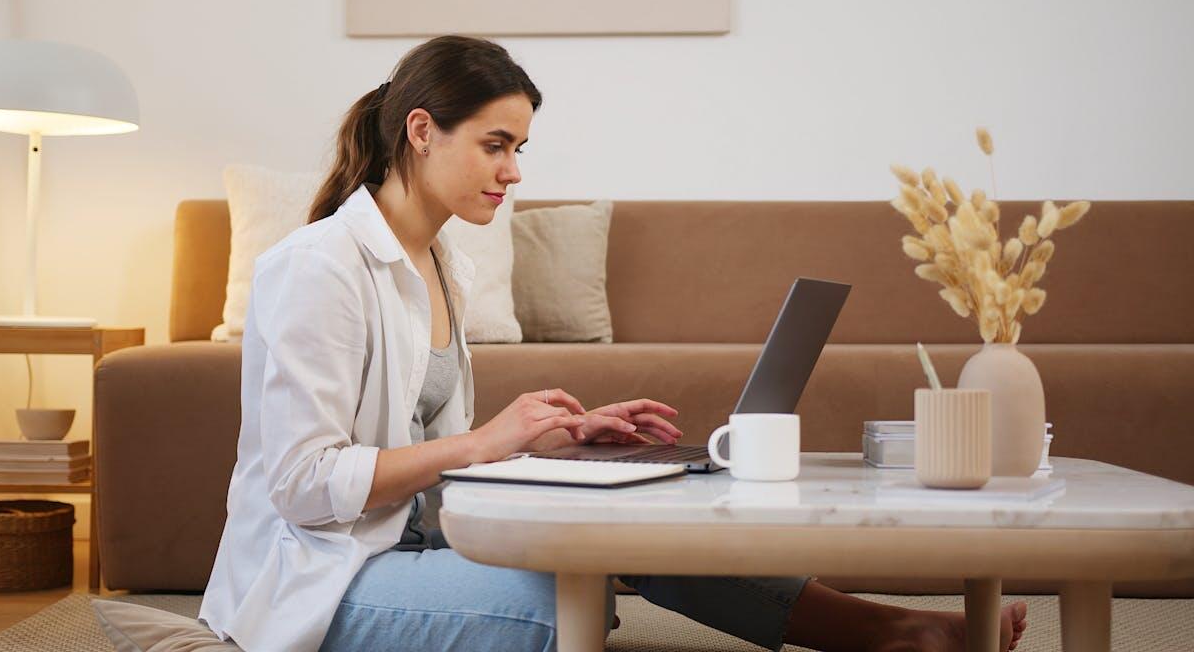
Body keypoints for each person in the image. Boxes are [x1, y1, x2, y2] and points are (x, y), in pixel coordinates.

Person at [197, 35, 1029, 652]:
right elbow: (303, 485)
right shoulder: (317, 269)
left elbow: (416, 446)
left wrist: (551, 442)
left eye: (519, 148)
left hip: (414, 532)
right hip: (322, 578)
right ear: (421, 130)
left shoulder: (439, 262)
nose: (514, 170)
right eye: (496, 145)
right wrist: (485, 441)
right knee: (556, 608)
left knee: (634, 514)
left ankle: (886, 632)